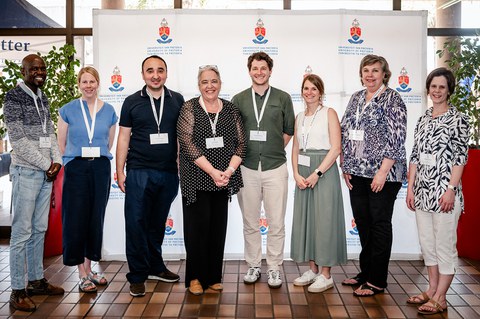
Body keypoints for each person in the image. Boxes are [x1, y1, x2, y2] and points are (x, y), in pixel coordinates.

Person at [116, 55, 184, 297]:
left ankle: (155, 266)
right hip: (139, 171)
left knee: (157, 224)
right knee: (136, 224)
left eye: (160, 70)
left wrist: (179, 165)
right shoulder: (132, 101)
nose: (155, 75)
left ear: (166, 73)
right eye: (150, 70)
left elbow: (180, 137)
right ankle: (137, 275)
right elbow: (123, 137)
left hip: (167, 173)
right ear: (143, 74)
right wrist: (119, 170)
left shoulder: (177, 99)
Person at [340, 54, 407, 296]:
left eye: (375, 71)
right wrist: (344, 164)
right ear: (361, 74)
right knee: (365, 225)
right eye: (366, 70)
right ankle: (365, 272)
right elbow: (345, 129)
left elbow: (397, 139)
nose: (370, 75)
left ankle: (377, 281)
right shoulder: (357, 98)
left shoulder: (393, 99)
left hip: (384, 175)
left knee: (379, 226)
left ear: (384, 74)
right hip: (357, 173)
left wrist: (382, 172)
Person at [177, 65, 246, 295]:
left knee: (217, 229)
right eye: (205, 82)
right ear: (199, 85)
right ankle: (195, 278)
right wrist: (213, 172)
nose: (210, 86)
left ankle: (213, 276)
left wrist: (228, 171)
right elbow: (187, 144)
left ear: (220, 83)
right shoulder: (189, 108)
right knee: (196, 230)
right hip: (196, 179)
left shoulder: (231, 109)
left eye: (214, 81)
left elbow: (241, 143)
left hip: (224, 179)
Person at [406, 67, 469, 315]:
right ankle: (431, 289)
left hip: (444, 194)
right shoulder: (423, 119)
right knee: (428, 245)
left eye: (442, 87)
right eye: (433, 86)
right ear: (428, 89)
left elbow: (460, 158)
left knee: (444, 246)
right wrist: (410, 188)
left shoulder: (458, 119)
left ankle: (441, 297)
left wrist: (451, 189)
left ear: (449, 90)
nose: (437, 91)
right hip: (421, 192)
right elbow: (415, 156)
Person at [4, 54, 64, 312]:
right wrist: (45, 164)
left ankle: (36, 280)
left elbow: (49, 133)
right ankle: (17, 291)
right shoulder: (13, 97)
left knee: (39, 229)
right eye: (34, 68)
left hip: (45, 173)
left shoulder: (43, 96)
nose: (39, 72)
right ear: (24, 70)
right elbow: (17, 140)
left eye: (42, 68)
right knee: (21, 233)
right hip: (27, 173)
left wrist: (57, 161)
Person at [232, 51, 295, 289]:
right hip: (246, 167)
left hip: (275, 167)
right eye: (255, 68)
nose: (259, 72)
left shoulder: (283, 98)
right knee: (250, 221)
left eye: (263, 68)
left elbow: (288, 130)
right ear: (249, 71)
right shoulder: (238, 99)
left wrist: (271, 149)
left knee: (276, 221)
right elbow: (235, 133)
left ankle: (275, 268)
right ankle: (254, 265)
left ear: (270, 70)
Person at [57, 66, 118, 293]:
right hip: (76, 168)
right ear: (79, 84)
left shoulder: (109, 110)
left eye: (92, 81)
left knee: (95, 217)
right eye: (84, 82)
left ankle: (90, 268)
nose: (88, 86)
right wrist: (74, 162)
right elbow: (61, 143)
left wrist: (96, 158)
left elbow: (108, 142)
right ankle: (81, 274)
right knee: (76, 219)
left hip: (100, 168)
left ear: (98, 83)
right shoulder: (67, 110)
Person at [290, 74, 347, 293]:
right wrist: (295, 173)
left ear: (320, 92)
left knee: (325, 221)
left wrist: (317, 173)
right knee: (308, 221)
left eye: (314, 88)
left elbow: (335, 148)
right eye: (306, 88)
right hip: (303, 173)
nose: (309, 92)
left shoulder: (329, 113)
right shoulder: (299, 117)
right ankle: (312, 270)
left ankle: (326, 274)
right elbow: (295, 148)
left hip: (323, 171)